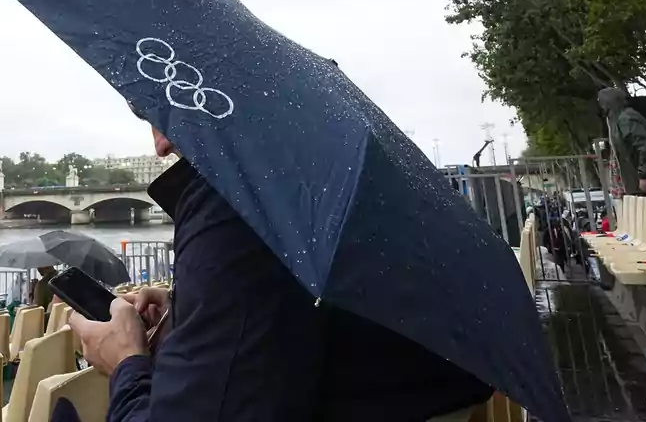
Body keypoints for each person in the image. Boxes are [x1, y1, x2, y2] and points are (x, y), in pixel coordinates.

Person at [68, 124, 492, 421]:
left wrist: (125, 361)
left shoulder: (239, 203)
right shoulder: (318, 181)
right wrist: (188, 306)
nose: (160, 146)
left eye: (161, 113)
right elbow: (297, 303)